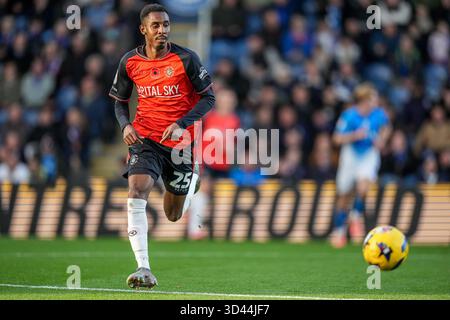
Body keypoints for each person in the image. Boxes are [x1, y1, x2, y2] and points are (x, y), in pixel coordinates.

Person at [109, 4, 214, 289]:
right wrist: (125, 126)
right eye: (155, 25)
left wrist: (182, 122)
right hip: (146, 140)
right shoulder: (130, 62)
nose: (162, 30)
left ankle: (190, 184)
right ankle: (143, 267)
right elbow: (119, 100)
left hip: (181, 143)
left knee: (173, 214)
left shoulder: (186, 59)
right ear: (143, 29)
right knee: (137, 190)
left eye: (165, 25)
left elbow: (208, 98)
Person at [330, 83, 391, 248]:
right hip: (350, 154)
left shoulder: (378, 114)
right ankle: (339, 231)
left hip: (369, 153)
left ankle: (355, 216)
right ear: (363, 100)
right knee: (343, 195)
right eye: (372, 98)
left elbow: (386, 127)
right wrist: (354, 136)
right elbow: (336, 139)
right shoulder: (349, 116)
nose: (375, 102)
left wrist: (382, 140)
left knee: (363, 187)